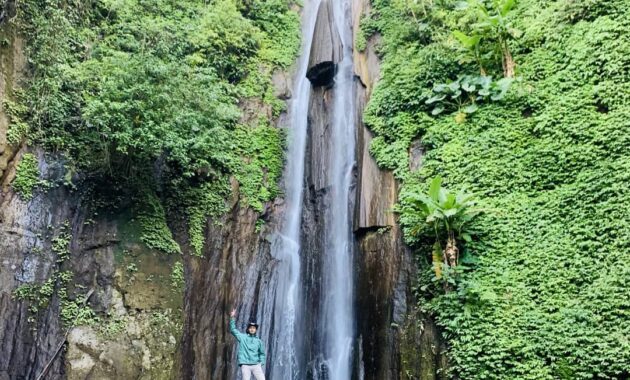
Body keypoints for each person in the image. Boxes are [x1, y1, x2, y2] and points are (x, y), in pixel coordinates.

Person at [229, 308, 266, 380]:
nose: (252, 329)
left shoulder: (259, 341)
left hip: (256, 365)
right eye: (251, 328)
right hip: (245, 365)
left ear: (256, 330)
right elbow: (233, 330)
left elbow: (262, 353)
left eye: (254, 328)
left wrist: (261, 363)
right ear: (248, 329)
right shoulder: (242, 337)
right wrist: (232, 317)